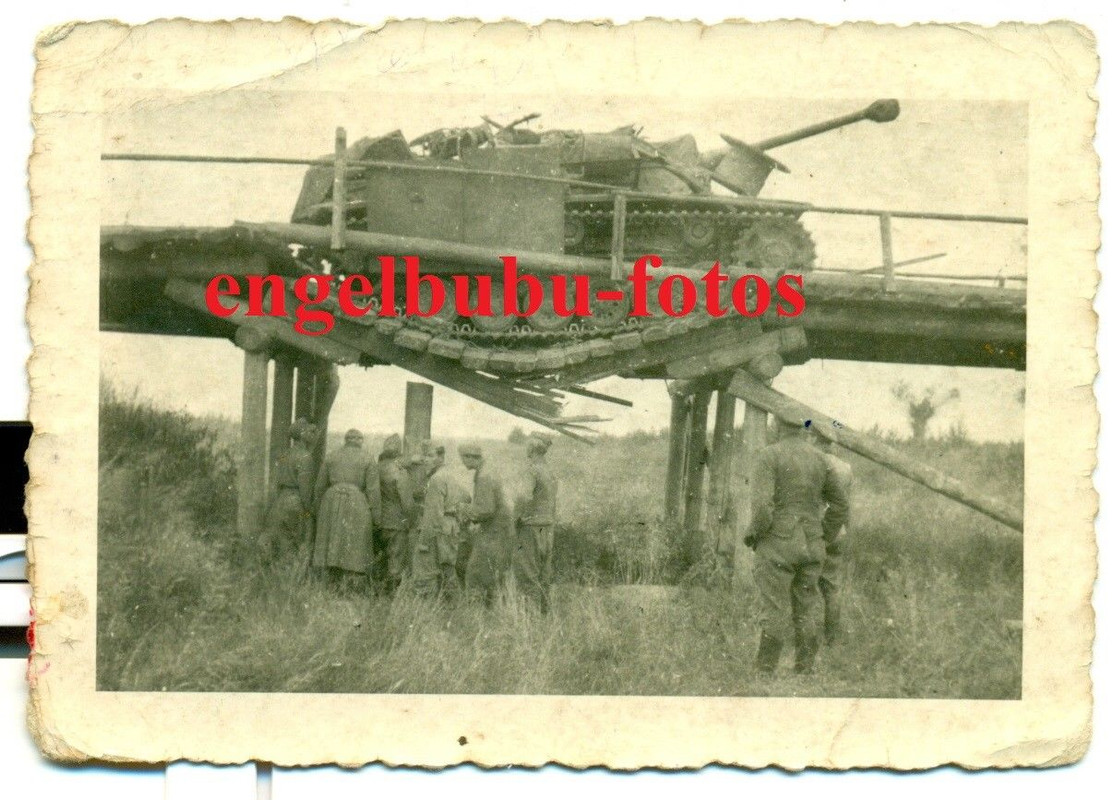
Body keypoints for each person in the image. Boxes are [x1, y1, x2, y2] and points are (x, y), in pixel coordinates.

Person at [745, 416, 849, 675]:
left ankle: (765, 670)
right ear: (803, 429)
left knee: (774, 606)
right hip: (812, 545)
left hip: (778, 542)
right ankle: (804, 669)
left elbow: (761, 508)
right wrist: (822, 534)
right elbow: (841, 505)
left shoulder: (768, 456)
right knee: (807, 606)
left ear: (777, 427)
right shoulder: (821, 459)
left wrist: (755, 535)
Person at [311, 428, 378, 591]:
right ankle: (351, 586)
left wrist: (316, 511)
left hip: (331, 500)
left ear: (345, 440)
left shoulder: (331, 456)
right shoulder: (368, 458)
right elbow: (373, 491)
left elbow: (320, 486)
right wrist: (376, 518)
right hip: (356, 501)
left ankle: (328, 584)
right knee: (354, 544)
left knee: (331, 540)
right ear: (360, 441)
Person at [410, 443, 469, 600]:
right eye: (425, 456)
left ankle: (426, 606)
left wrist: (424, 541)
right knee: (447, 568)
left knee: (425, 569)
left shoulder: (436, 479)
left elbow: (433, 515)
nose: (426, 460)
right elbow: (466, 497)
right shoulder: (450, 474)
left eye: (430, 456)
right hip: (451, 527)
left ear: (441, 458)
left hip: (438, 529)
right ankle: (456, 607)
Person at [458, 443, 514, 607]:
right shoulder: (487, 470)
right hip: (500, 529)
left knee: (474, 572)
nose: (463, 463)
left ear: (469, 457)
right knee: (493, 570)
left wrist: (465, 510)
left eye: (463, 459)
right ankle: (495, 608)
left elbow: (486, 510)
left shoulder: (484, 476)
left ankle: (475, 612)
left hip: (494, 530)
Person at [260, 419, 318, 566]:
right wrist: (308, 512)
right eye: (311, 432)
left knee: (280, 542)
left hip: (280, 502)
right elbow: (306, 492)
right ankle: (291, 580)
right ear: (303, 435)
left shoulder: (285, 455)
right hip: (295, 504)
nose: (315, 435)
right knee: (294, 545)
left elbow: (275, 483)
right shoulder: (306, 457)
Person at [513, 433, 558, 613]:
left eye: (527, 446)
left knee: (527, 574)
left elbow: (524, 497)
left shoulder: (532, 470)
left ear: (532, 449)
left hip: (531, 527)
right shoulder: (550, 472)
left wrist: (515, 519)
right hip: (547, 527)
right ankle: (544, 616)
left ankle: (530, 621)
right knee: (544, 574)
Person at [816, 436, 853, 646]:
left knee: (805, 583)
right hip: (838, 531)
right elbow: (846, 505)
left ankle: (805, 637)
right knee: (832, 586)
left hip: (816, 529)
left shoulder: (814, 463)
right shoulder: (845, 467)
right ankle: (831, 638)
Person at [377, 434, 415, 596]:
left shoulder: (376, 467)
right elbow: (407, 503)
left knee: (380, 556)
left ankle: (377, 590)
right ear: (398, 452)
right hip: (396, 521)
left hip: (378, 519)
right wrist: (411, 520)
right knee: (396, 559)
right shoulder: (399, 472)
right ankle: (391, 595)